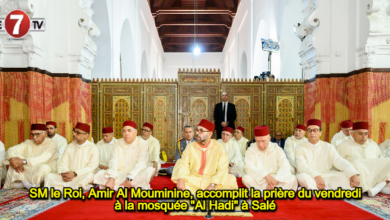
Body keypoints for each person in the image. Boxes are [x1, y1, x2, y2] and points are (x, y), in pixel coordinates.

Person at [172, 119, 238, 195]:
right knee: (184, 183)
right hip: (195, 180)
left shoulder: (219, 147)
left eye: (201, 131)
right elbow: (182, 163)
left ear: (210, 133)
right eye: (197, 130)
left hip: (213, 179)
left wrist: (212, 184)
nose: (197, 133)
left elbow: (222, 169)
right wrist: (180, 179)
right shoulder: (190, 147)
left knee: (231, 179)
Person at [295, 119, 360, 190]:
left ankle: (315, 189)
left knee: (345, 175)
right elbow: (302, 167)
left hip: (327, 175)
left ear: (320, 132)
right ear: (307, 133)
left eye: (315, 130)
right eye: (309, 130)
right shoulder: (299, 147)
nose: (312, 133)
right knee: (301, 177)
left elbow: (339, 161)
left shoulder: (328, 147)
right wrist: (316, 176)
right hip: (310, 176)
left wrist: (353, 173)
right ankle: (322, 190)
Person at [94, 121, 155, 190]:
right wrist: (112, 178)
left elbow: (141, 163)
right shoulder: (117, 143)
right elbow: (114, 161)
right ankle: (129, 186)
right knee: (100, 174)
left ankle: (118, 186)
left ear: (135, 133)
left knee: (150, 171)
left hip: (135, 174)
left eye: (129, 131)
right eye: (124, 131)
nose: (126, 134)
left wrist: (129, 178)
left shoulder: (143, 144)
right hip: (119, 173)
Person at [337, 122, 390, 197]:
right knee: (356, 162)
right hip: (358, 178)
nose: (364, 137)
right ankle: (378, 187)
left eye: (366, 134)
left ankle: (380, 185)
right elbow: (338, 164)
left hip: (375, 176)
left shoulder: (373, 144)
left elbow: (379, 161)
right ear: (353, 134)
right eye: (360, 134)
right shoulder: (343, 146)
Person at [44, 123, 99, 191]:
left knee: (90, 176)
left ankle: (63, 187)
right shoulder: (70, 146)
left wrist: (75, 174)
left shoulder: (93, 148)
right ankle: (77, 186)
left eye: (77, 133)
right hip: (68, 177)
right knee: (48, 176)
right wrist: (65, 173)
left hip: (81, 176)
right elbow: (63, 163)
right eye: (74, 131)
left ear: (86, 135)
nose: (74, 134)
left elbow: (92, 167)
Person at [242, 125, 297, 191]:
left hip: (276, 178)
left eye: (263, 141)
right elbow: (248, 167)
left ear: (269, 138)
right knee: (246, 178)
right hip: (260, 179)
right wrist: (266, 175)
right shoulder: (251, 150)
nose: (260, 145)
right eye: (258, 141)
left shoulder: (277, 149)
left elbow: (284, 165)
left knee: (292, 178)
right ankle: (276, 192)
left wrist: (276, 181)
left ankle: (264, 192)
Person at [3, 124, 57, 189]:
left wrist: (23, 161)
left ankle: (24, 184)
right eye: (32, 134)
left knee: (44, 168)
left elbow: (43, 158)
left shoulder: (51, 143)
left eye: (37, 134)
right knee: (14, 162)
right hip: (28, 168)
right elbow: (11, 149)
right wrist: (12, 159)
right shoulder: (28, 143)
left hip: (44, 171)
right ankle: (27, 184)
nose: (34, 137)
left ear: (45, 134)